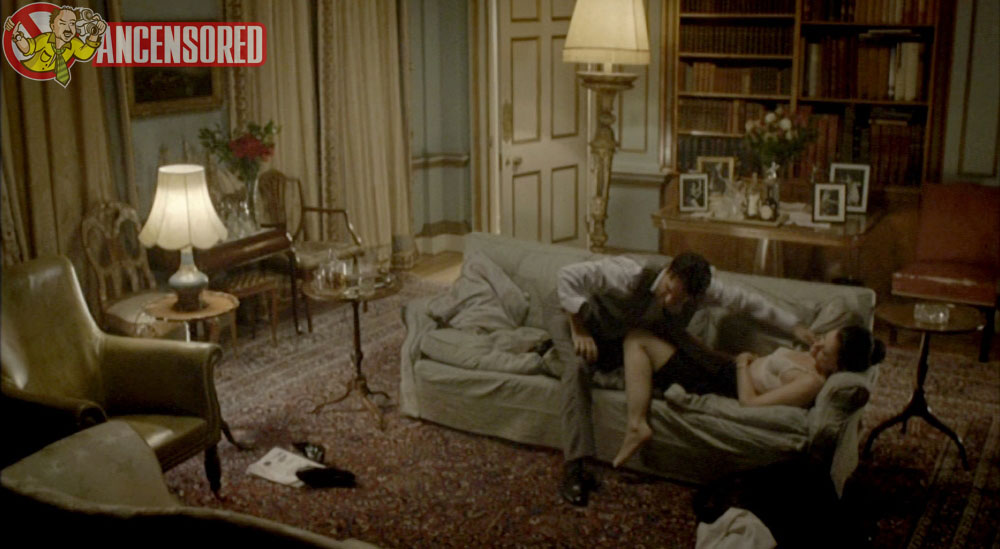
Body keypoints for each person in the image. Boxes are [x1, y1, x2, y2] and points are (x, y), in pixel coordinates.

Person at [547, 251, 816, 506]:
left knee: (665, 341)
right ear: (669, 271)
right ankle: (575, 468)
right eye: (668, 290)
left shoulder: (704, 291)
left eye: (678, 299)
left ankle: (631, 417)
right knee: (577, 367)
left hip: (616, 335)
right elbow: (567, 276)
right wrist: (578, 329)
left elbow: (750, 302)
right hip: (576, 320)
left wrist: (795, 327)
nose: (668, 301)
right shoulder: (629, 273)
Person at [613, 325, 886, 467]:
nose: (816, 346)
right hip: (725, 366)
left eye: (824, 351)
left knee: (637, 339)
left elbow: (750, 402)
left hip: (718, 383)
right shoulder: (816, 359)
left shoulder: (810, 383)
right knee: (661, 329)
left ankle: (637, 425)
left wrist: (743, 364)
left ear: (838, 367)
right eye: (823, 338)